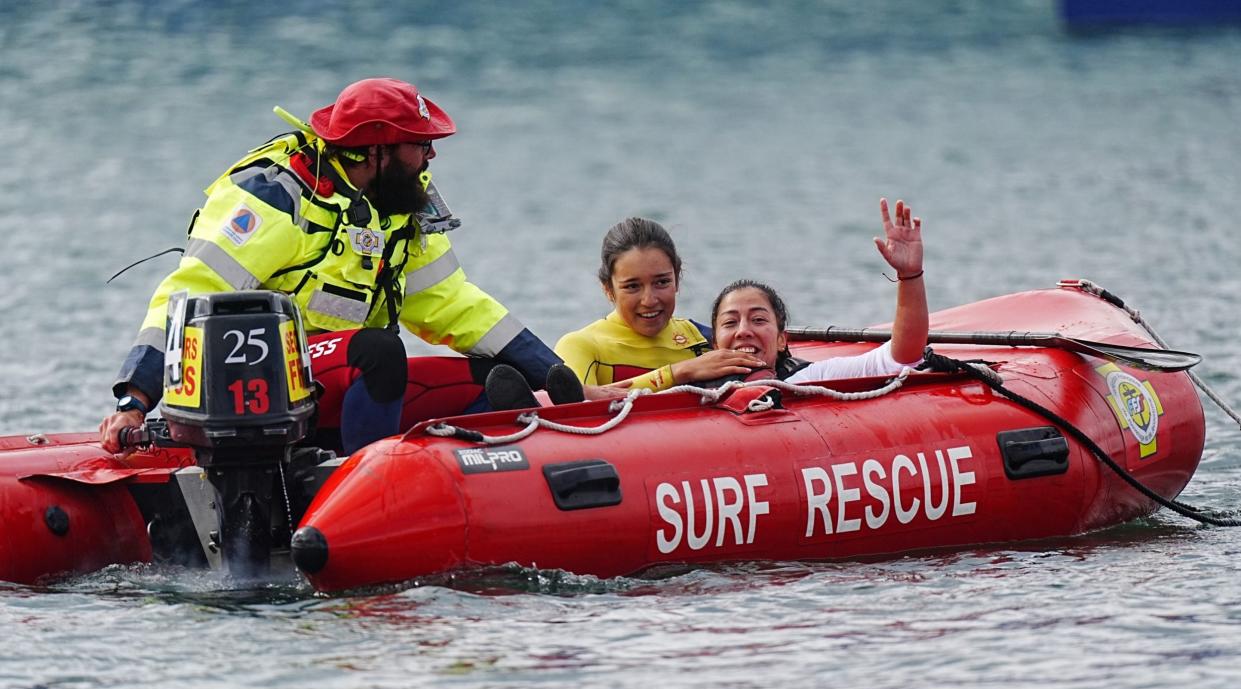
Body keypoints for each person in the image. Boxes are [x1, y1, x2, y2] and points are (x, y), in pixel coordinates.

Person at [99, 77, 616, 454]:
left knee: (495, 379)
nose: (431, 156)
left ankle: (454, 482)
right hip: (254, 389)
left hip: (340, 386)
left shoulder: (400, 208)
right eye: (420, 144)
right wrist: (136, 398)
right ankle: (365, 479)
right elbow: (188, 296)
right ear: (375, 149)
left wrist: (552, 371)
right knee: (379, 351)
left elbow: (455, 305)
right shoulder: (277, 198)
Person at [710, 198, 928, 383]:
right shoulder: (690, 385)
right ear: (715, 344)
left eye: (758, 320)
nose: (744, 331)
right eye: (730, 322)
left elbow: (899, 358)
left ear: (781, 340)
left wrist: (909, 276)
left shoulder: (806, 379)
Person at [552, 217, 766, 391]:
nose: (649, 300)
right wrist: (678, 373)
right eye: (632, 286)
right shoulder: (581, 346)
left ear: (677, 280)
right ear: (608, 289)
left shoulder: (702, 339)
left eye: (662, 282)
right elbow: (574, 406)